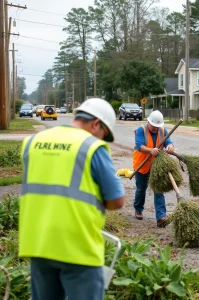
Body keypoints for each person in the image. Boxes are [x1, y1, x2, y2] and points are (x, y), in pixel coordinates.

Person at [18, 98, 125, 300]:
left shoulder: (33, 142)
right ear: (96, 125)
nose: (101, 138)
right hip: (77, 247)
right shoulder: (91, 147)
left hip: (38, 244)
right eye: (103, 134)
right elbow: (117, 200)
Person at [133, 110, 174, 227]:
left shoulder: (162, 130)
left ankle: (161, 217)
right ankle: (138, 208)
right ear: (148, 122)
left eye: (158, 126)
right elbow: (139, 145)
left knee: (158, 189)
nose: (156, 128)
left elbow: (169, 142)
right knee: (141, 189)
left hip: (156, 165)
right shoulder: (141, 130)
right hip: (142, 164)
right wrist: (150, 150)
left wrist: (170, 147)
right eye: (154, 126)